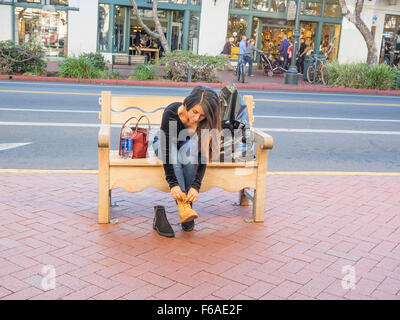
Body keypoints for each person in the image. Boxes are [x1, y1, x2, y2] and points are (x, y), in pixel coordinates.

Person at [152, 86, 222, 237]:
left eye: (202, 116)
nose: (197, 118)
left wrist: (196, 186)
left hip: (184, 146)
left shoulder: (204, 123)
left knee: (190, 155)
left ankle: (188, 206)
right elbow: (167, 150)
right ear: (187, 103)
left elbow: (203, 156)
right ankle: (184, 207)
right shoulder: (171, 113)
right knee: (175, 155)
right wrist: (173, 184)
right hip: (164, 143)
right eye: (195, 112)